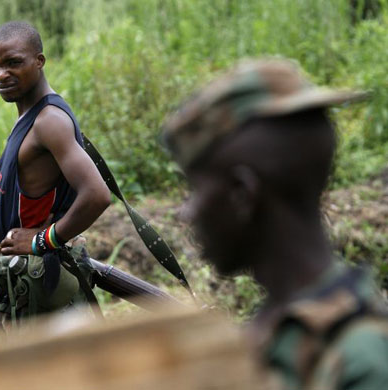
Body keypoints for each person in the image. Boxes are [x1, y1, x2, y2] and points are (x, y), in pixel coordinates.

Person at [162, 59, 388, 389]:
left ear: (242, 194)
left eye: (194, 190)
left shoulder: (360, 362)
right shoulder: (278, 330)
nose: (186, 213)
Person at [0, 21, 110, 330]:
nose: (0, 75)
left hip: (46, 302)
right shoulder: (30, 117)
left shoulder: (49, 121)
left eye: (13, 63)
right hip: (23, 299)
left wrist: (42, 239)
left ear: (39, 61)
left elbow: (97, 195)